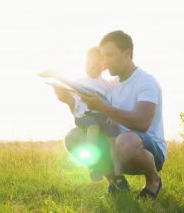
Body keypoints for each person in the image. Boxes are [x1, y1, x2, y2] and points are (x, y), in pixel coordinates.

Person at [63, 30, 166, 199]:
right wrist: (68, 100)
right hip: (117, 146)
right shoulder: (110, 86)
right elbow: (88, 114)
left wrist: (104, 108)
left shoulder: (146, 82)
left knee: (126, 140)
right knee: (74, 136)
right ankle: (116, 183)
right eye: (102, 56)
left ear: (127, 54)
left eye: (109, 55)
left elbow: (142, 123)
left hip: (147, 149)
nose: (104, 62)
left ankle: (153, 181)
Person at [41, 47, 119, 181]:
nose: (91, 67)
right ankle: (93, 163)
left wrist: (112, 117)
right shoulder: (80, 82)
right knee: (93, 126)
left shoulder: (108, 85)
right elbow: (74, 104)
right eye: (88, 63)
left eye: (95, 64)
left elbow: (112, 103)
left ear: (103, 65)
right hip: (86, 116)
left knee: (113, 138)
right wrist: (63, 95)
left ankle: (118, 176)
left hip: (103, 118)